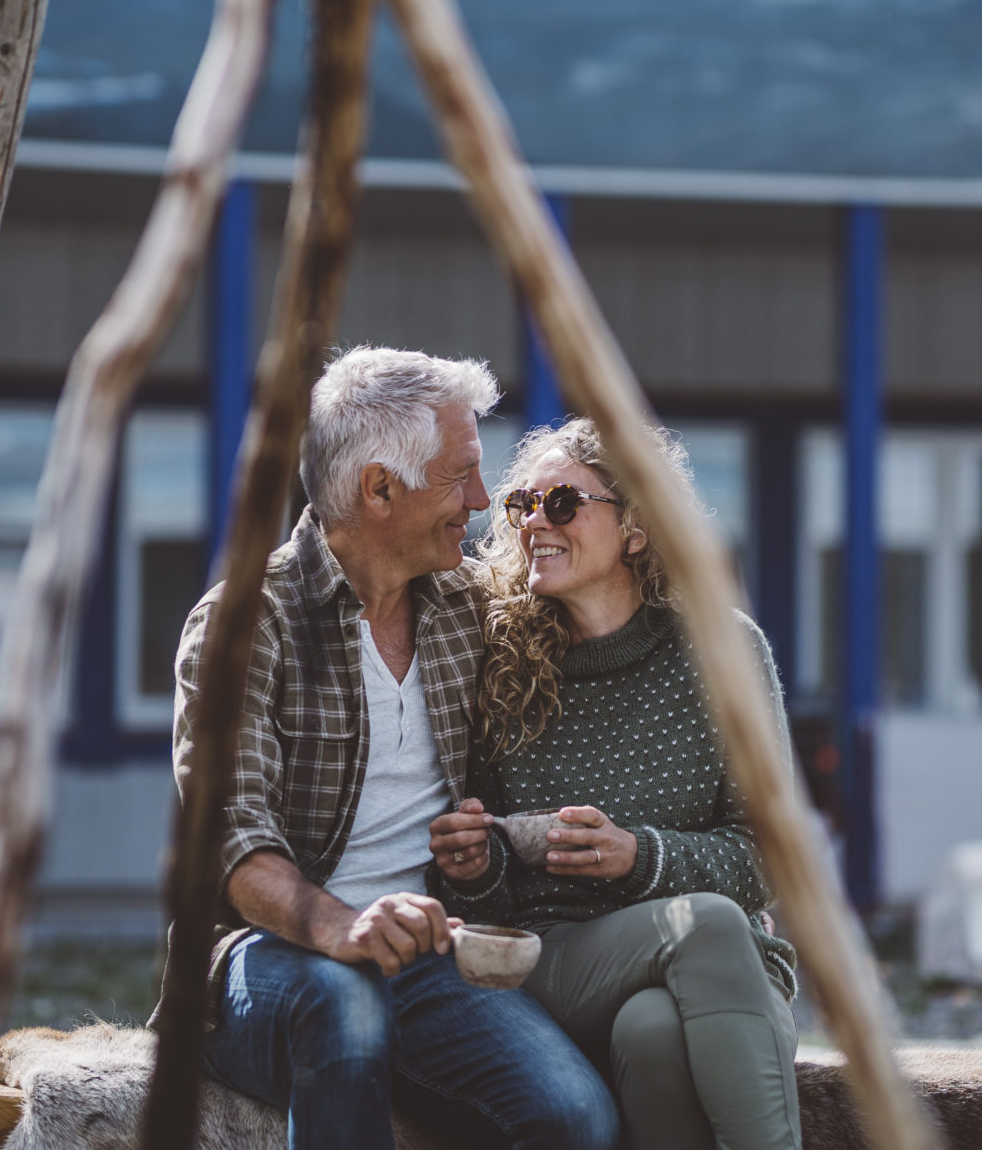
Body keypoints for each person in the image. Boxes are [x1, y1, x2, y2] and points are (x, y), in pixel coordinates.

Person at [169, 349, 619, 1150]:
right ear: (379, 488)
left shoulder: (467, 605)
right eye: (460, 477)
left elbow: (599, 612)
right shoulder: (247, 622)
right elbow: (231, 846)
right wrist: (342, 926)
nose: (482, 503)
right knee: (345, 1005)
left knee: (575, 1113)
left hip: (428, 961)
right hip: (271, 962)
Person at [429, 417, 803, 1150]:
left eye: (562, 503)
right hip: (553, 958)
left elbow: (771, 859)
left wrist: (640, 854)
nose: (536, 522)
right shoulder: (497, 660)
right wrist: (475, 864)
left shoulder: (725, 651)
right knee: (707, 920)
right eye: (523, 506)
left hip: (722, 979)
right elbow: (486, 891)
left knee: (652, 1028)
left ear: (636, 526)